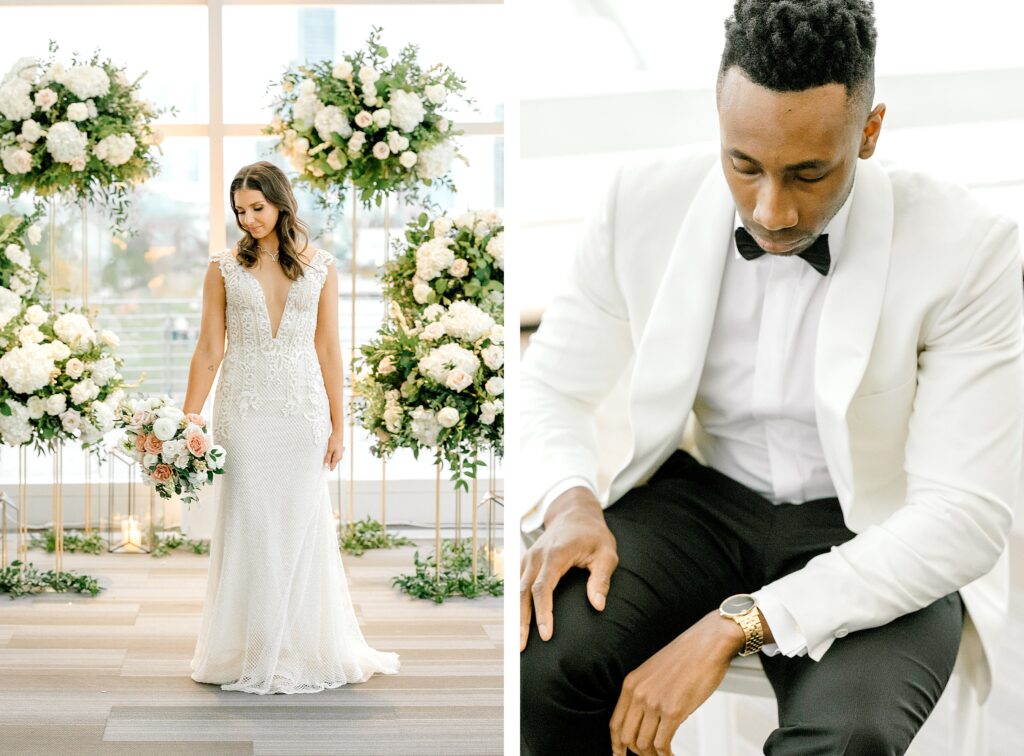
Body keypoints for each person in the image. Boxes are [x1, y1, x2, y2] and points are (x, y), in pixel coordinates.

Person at [518, 1, 1023, 754]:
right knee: (547, 661)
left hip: (876, 525)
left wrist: (739, 622)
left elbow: (964, 516)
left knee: (849, 735)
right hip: (701, 503)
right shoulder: (638, 202)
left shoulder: (971, 249)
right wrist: (570, 501)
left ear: (870, 131)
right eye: (743, 165)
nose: (771, 209)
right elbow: (551, 385)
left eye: (809, 173)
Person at [186, 160, 399, 694]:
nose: (249, 219)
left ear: (281, 203)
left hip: (302, 413)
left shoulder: (322, 266)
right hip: (245, 412)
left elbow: (329, 347)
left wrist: (338, 424)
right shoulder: (223, 268)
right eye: (240, 211)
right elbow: (211, 348)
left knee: (301, 530)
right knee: (253, 530)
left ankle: (297, 648)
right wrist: (188, 416)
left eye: (257, 208)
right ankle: (256, 649)